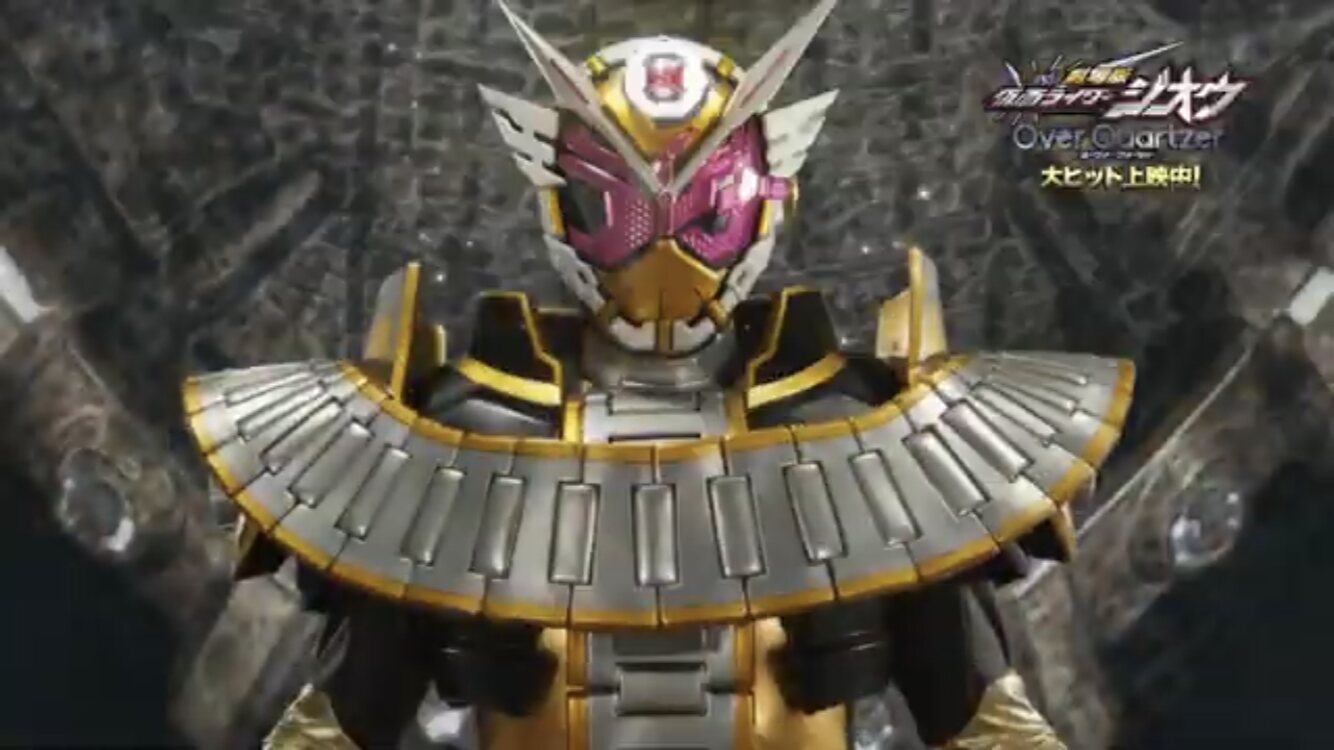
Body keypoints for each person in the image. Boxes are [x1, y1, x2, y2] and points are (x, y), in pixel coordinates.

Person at [182, 1, 1135, 747]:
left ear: (764, 196)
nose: (665, 249)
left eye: (705, 208)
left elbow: (977, 713)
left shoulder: (853, 419)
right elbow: (345, 717)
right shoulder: (469, 426)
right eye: (623, 210)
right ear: (563, 202)